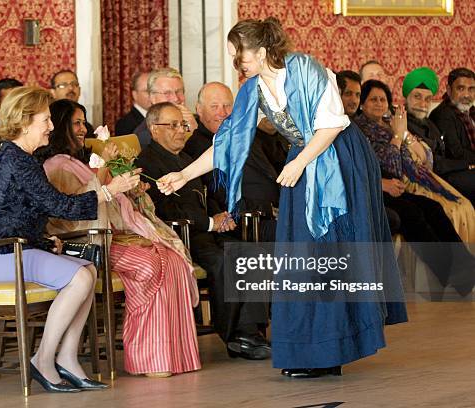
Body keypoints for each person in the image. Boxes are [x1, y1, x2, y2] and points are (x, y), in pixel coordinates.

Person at [157, 18, 407, 378]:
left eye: (238, 54)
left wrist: (302, 161)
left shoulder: (305, 67)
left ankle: (331, 349)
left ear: (260, 50)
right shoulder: (254, 90)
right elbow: (226, 143)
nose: (235, 62)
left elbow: (332, 123)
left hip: (339, 159)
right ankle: (312, 350)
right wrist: (183, 174)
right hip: (303, 162)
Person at [0, 86, 140, 392]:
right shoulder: (17, 161)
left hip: (15, 251)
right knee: (79, 277)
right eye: (46, 119)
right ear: (24, 121)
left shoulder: (21, 159)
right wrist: (109, 191)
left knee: (88, 269)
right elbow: (63, 206)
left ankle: (67, 358)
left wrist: (46, 240)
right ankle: (43, 359)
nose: (51, 126)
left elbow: (24, 214)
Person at [36, 99, 201, 378]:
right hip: (87, 242)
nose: (82, 128)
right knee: (151, 264)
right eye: (76, 122)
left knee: (170, 257)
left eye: (83, 122)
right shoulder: (55, 166)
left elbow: (113, 201)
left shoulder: (79, 161)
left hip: (114, 235)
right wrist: (105, 173)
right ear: (60, 125)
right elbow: (70, 215)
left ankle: (177, 356)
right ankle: (148, 357)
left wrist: (134, 188)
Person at [137, 102, 271, 361]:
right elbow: (164, 211)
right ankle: (233, 335)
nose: (181, 131)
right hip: (179, 236)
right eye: (173, 125)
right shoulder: (147, 163)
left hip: (206, 230)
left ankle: (251, 332)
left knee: (253, 254)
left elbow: (204, 195)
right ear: (154, 130)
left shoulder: (186, 160)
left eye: (183, 125)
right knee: (223, 261)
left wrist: (222, 215)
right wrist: (211, 221)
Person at [354, 80, 475, 244]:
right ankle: (446, 266)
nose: (379, 104)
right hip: (389, 184)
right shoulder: (361, 130)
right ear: (362, 104)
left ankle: (463, 262)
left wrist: (402, 133)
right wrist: (397, 135)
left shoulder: (392, 123)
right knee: (417, 213)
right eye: (373, 99)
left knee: (436, 208)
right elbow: (392, 167)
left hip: (415, 178)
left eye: (383, 100)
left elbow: (426, 157)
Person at [185, 82, 280, 240]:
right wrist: (269, 209)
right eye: (214, 106)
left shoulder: (245, 134)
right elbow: (221, 197)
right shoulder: (198, 147)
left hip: (277, 211)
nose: (222, 113)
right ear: (199, 110)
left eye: (227, 105)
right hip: (247, 223)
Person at [336, 71, 401, 232]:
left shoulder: (352, 125)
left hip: (369, 188)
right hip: (349, 195)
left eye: (357, 95)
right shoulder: (334, 126)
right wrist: (379, 184)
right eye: (348, 94)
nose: (354, 100)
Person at [404, 67, 474, 204]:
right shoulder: (402, 124)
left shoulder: (429, 123)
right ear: (406, 97)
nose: (423, 104)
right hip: (429, 179)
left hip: (447, 173)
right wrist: (468, 165)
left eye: (428, 99)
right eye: (417, 97)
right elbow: (438, 160)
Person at [133, 68, 198, 147]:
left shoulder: (195, 121)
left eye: (179, 91)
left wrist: (194, 129)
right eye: (167, 93)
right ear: (152, 98)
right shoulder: (143, 136)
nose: (175, 98)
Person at [429, 68, 475, 164]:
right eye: (461, 88)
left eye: (471, 89)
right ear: (449, 90)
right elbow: (455, 153)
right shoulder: (442, 115)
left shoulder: (471, 111)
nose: (466, 95)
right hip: (457, 172)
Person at [49, 69, 94, 138]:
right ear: (52, 92)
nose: (70, 88)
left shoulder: (87, 128)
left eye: (74, 84)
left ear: (80, 90)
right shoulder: (47, 124)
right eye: (63, 85)